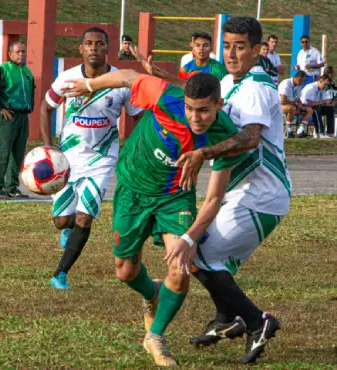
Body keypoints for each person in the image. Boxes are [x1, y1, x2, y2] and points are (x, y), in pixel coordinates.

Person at [62, 71, 247, 367]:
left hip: (176, 196)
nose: (194, 117)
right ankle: (152, 293)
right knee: (124, 271)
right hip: (132, 188)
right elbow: (127, 77)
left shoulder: (223, 136)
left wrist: (189, 239)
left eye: (203, 110)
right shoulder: (165, 96)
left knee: (181, 267)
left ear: (219, 105)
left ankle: (156, 337)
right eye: (190, 108)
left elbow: (213, 198)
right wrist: (89, 85)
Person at [143, 16, 288, 364]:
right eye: (228, 45)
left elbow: (249, 139)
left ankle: (257, 320)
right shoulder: (227, 81)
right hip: (240, 191)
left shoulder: (256, 86)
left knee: (198, 254)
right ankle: (228, 318)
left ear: (257, 50)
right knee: (201, 253)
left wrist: (204, 153)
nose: (232, 53)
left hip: (262, 193)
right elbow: (194, 91)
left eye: (240, 46)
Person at [40, 27, 143, 289]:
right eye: (89, 43)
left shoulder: (121, 81)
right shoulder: (66, 78)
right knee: (62, 221)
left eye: (99, 43)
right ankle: (67, 227)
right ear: (81, 49)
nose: (94, 47)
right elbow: (45, 108)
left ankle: (60, 274)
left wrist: (134, 150)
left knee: (85, 218)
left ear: (107, 48)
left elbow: (138, 118)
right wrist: (48, 148)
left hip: (102, 160)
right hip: (68, 160)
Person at [0, 41, 35, 200]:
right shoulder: (3, 70)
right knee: (3, 152)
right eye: (18, 51)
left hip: (23, 117)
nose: (21, 54)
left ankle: (12, 187)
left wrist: (29, 108)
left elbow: (31, 92)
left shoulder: (27, 72)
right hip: (9, 116)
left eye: (23, 51)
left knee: (18, 154)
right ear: (10, 54)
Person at [278, 70, 313, 138]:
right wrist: (295, 104)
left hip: (293, 105)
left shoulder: (298, 85)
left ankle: (300, 132)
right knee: (292, 108)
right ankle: (289, 131)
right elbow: (282, 101)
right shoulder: (286, 84)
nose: (303, 82)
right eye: (303, 81)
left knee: (309, 110)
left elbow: (298, 98)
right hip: (280, 106)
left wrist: (299, 103)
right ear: (298, 78)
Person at [300, 74, 336, 138]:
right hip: (304, 106)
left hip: (314, 106)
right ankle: (319, 133)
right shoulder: (311, 88)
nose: (325, 86)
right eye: (325, 84)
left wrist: (331, 103)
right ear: (320, 81)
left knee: (330, 109)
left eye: (327, 85)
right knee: (316, 109)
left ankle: (330, 132)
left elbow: (324, 102)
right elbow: (310, 103)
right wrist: (323, 102)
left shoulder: (322, 89)